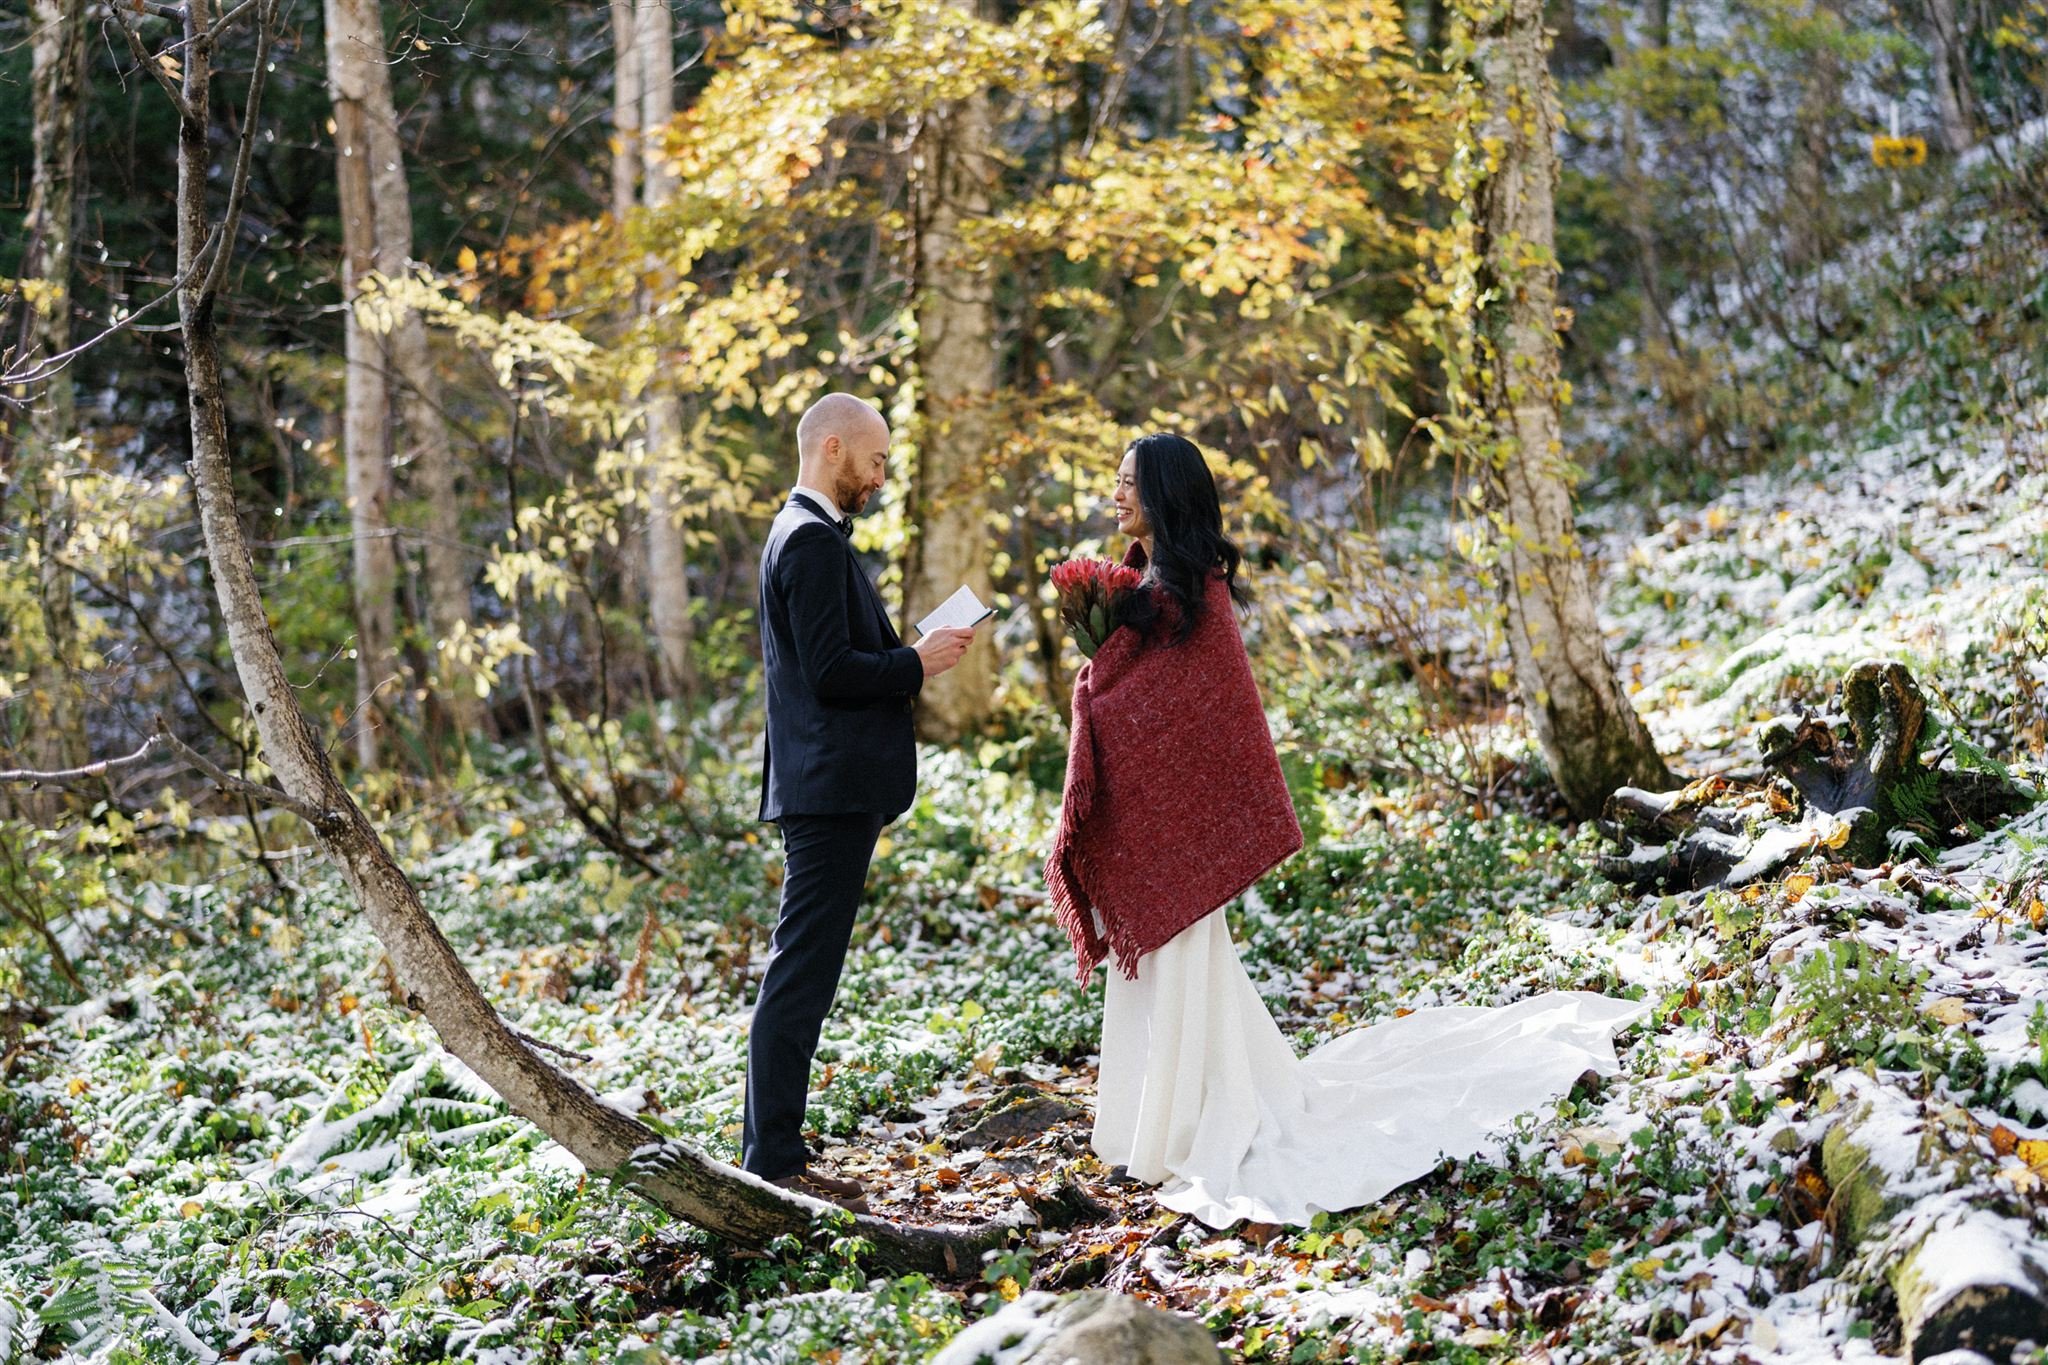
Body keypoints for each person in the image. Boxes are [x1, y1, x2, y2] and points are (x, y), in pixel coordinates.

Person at [1046, 433, 1645, 1228]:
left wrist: (1107, 694)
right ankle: (1147, 1123)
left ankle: (1185, 1127)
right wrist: (1102, 679)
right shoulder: (1143, 588)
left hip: (1183, 838)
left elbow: (1206, 724)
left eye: (1129, 483)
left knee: (1185, 968)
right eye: (1115, 480)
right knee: (1157, 975)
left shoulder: (1197, 597)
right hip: (1157, 837)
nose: (1115, 494)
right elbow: (1135, 706)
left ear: (1165, 494)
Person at [749, 392, 978, 1212]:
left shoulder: (800, 534)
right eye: (876, 461)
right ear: (834, 448)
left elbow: (835, 657)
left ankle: (775, 1152)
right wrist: (919, 662)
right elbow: (831, 672)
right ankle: (773, 1162)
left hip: (827, 785)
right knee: (800, 973)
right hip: (828, 788)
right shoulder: (808, 542)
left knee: (803, 970)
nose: (882, 477)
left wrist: (910, 650)